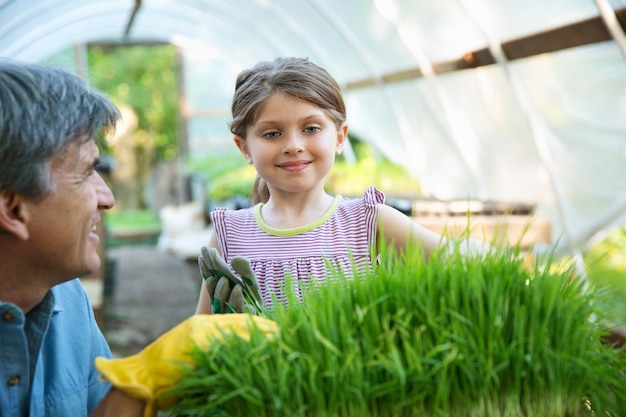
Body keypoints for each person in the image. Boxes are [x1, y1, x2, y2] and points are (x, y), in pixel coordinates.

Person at [0, 59, 279, 417]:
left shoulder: (65, 300)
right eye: (87, 173)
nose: (108, 198)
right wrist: (141, 381)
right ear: (12, 209)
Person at [196, 56, 491, 314]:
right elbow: (198, 335)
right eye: (272, 134)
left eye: (311, 129)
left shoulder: (367, 222)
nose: (294, 145)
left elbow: (457, 258)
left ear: (339, 137)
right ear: (244, 147)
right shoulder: (229, 235)